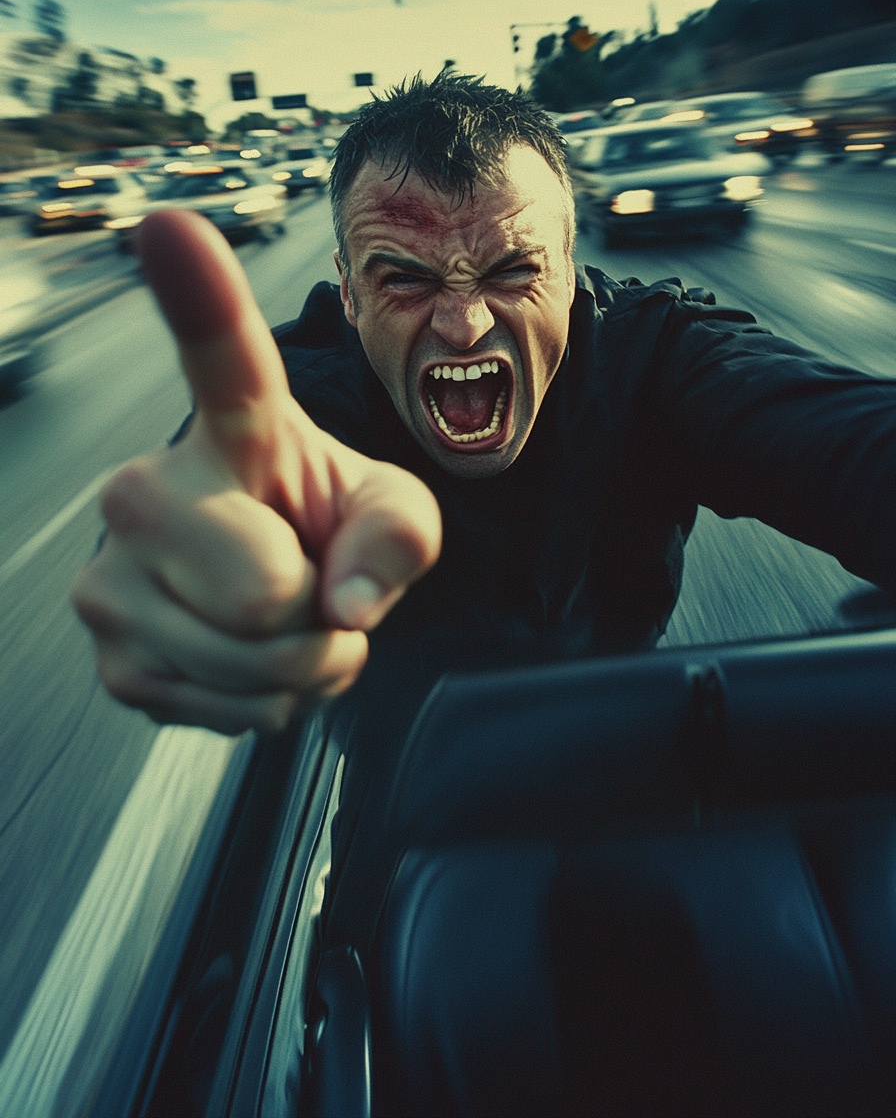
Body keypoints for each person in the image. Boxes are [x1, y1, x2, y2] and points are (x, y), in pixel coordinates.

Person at [72, 72, 896, 740]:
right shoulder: (296, 404)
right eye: (404, 277)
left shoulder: (659, 353)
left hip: (640, 740)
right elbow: (212, 498)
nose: (464, 325)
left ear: (570, 268)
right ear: (349, 293)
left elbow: (848, 442)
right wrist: (184, 578)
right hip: (410, 789)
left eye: (511, 271)